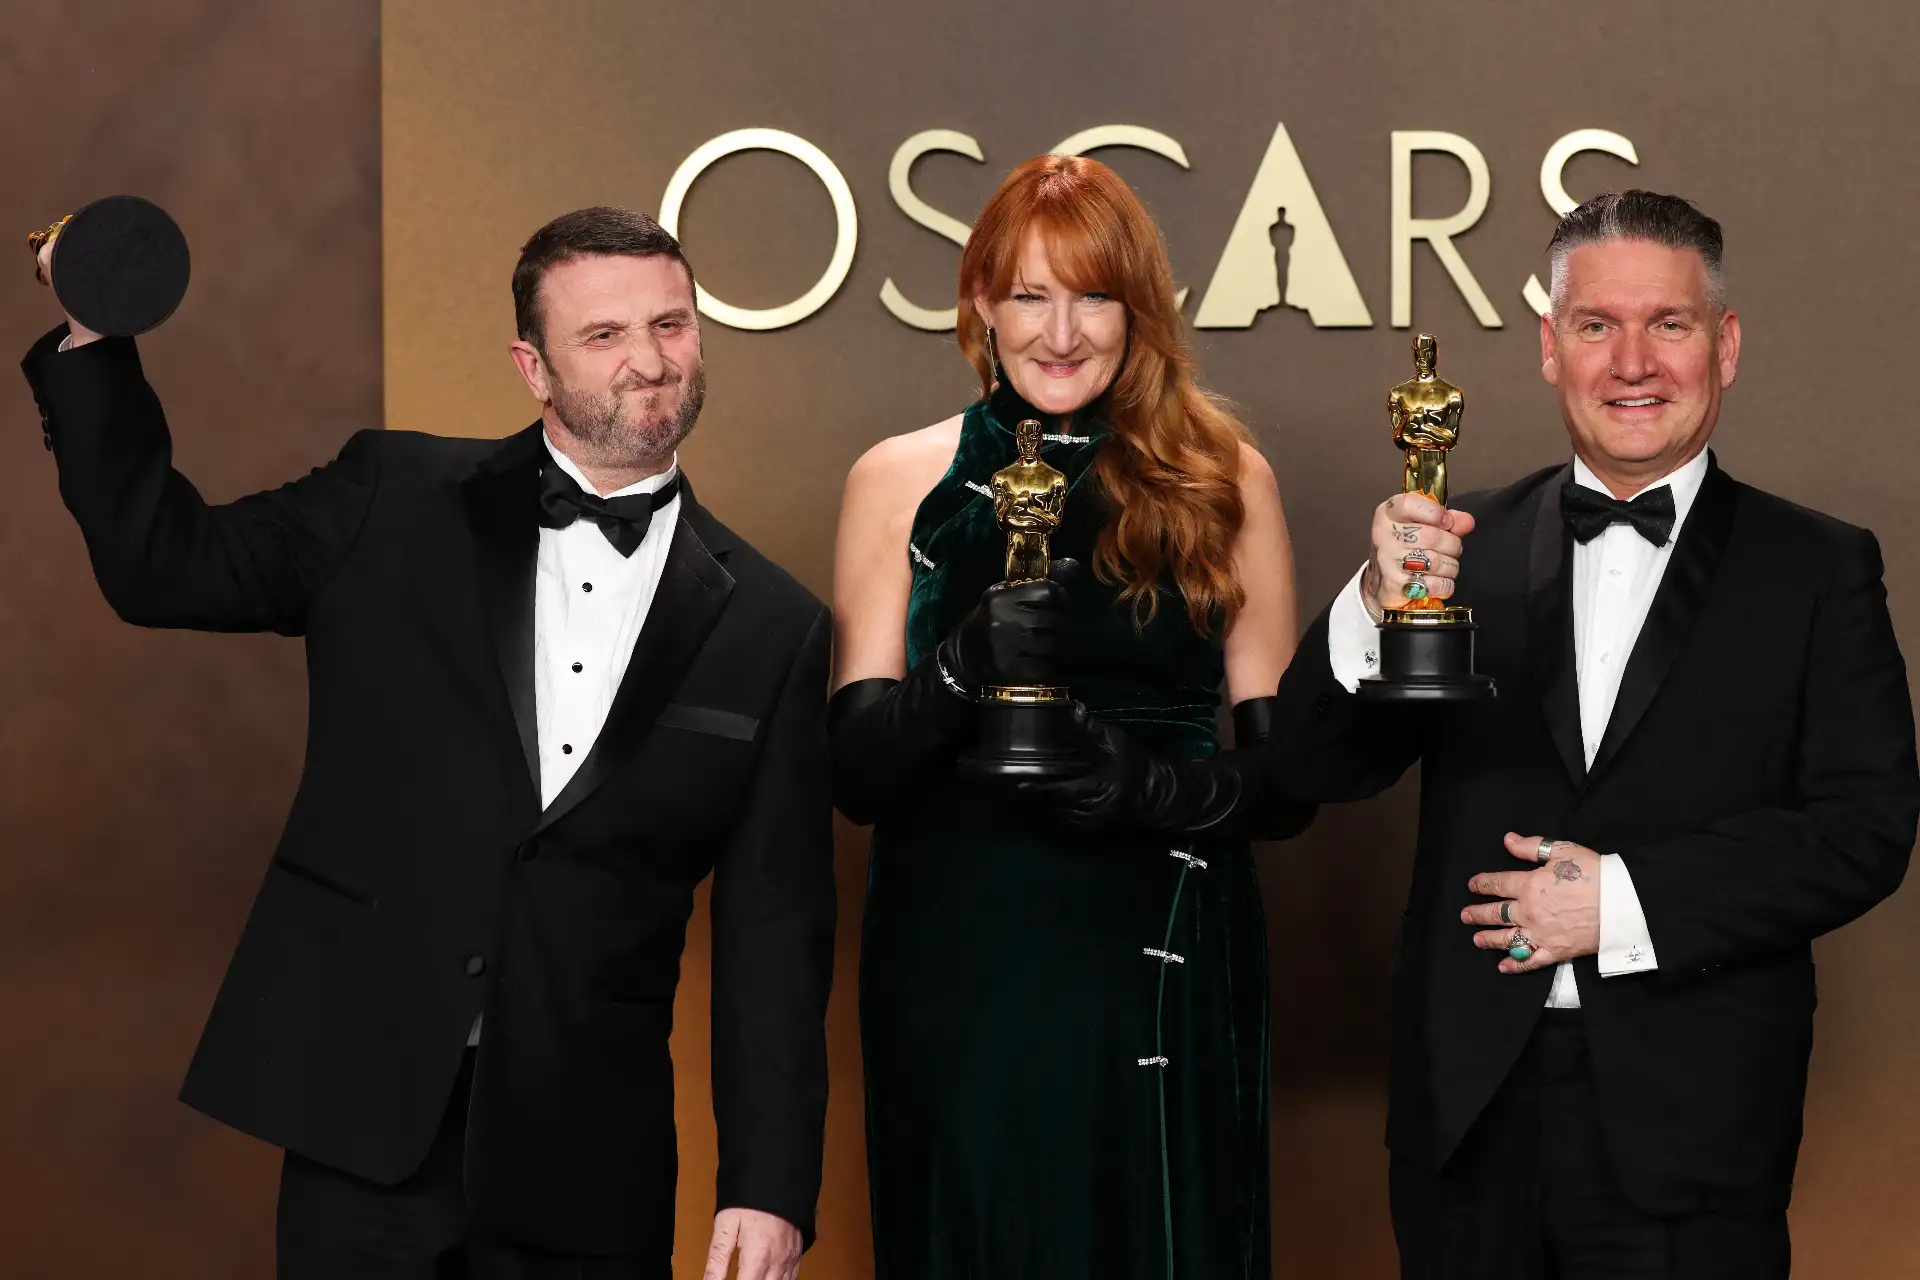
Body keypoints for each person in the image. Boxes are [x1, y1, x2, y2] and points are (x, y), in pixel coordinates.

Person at [1095, 189, 1920, 1277]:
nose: (1633, 361)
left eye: (1667, 324)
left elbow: (1864, 829)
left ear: (1724, 345)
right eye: (1596, 325)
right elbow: (1308, 766)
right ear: (1548, 347)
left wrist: (1617, 902)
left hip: (1696, 1137)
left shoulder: (1818, 566)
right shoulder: (1454, 547)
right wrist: (1370, 607)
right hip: (1466, 1126)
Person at [21, 207, 833, 1280]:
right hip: (363, 1119)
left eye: (671, 325)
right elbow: (163, 562)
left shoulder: (775, 621)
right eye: (604, 335)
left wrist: (768, 1185)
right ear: (531, 366)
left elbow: (775, 931)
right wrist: (96, 333)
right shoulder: (388, 496)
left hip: (591, 1159)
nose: (649, 360)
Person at [828, 153, 1313, 1278]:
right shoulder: (898, 478)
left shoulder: (1225, 478)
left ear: (1139, 311)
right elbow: (857, 772)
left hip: (1163, 946)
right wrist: (958, 668)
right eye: (1030, 295)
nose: (1061, 330)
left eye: (1093, 294)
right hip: (963, 958)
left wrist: (1141, 787)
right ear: (981, 308)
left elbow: (1287, 782)